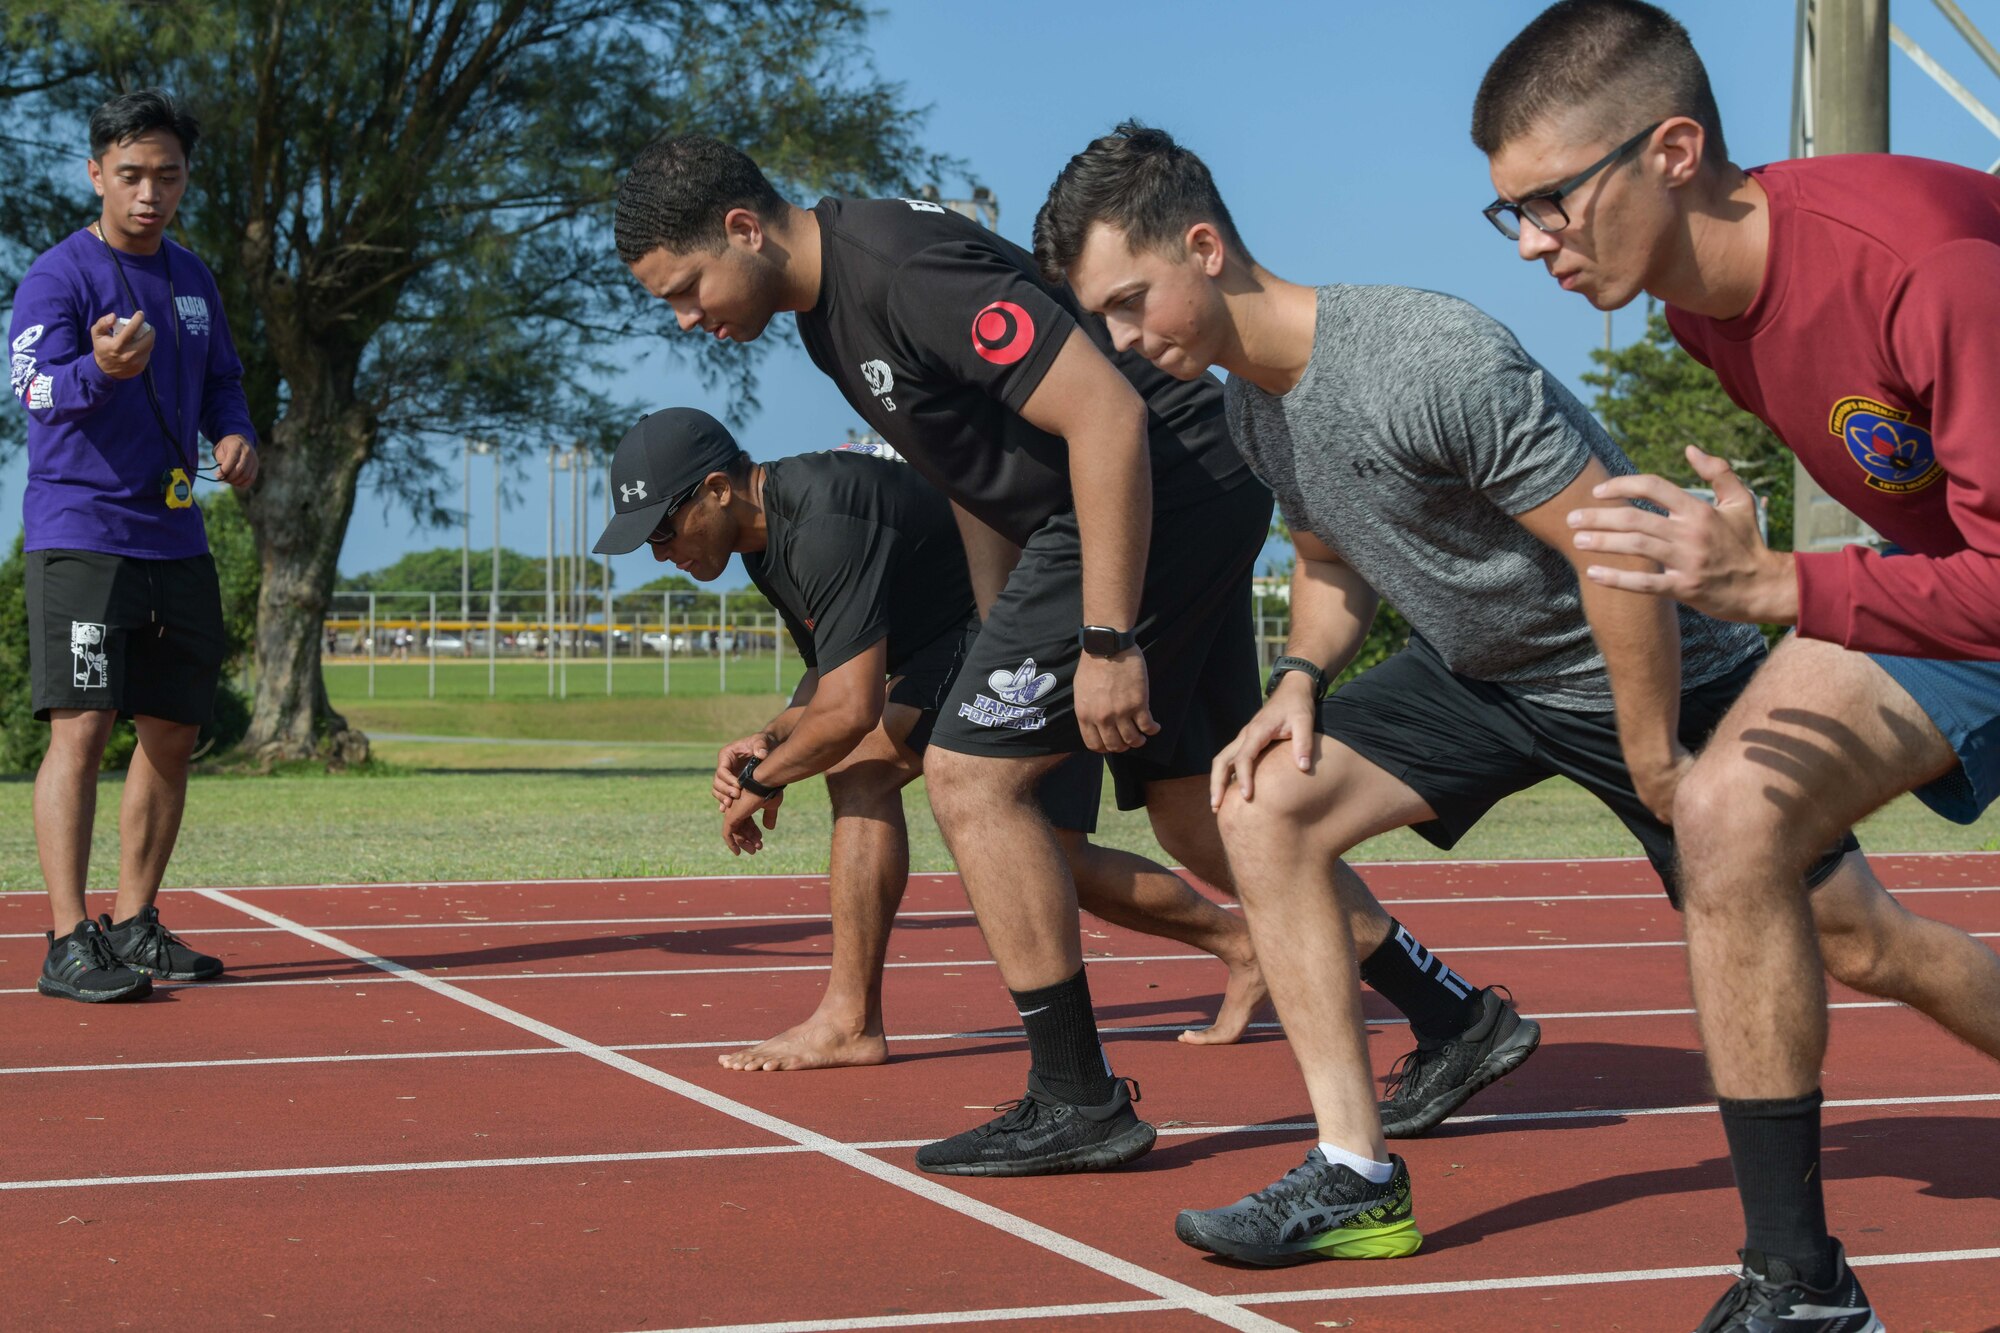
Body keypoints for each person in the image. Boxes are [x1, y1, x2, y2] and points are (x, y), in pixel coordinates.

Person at [1035, 120, 2000, 1270]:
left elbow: (1610, 555)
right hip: (1482, 678)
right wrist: (1297, 678)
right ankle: (1353, 1172)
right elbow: (1332, 559)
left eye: (1131, 303)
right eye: (1103, 320)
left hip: (1641, 670)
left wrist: (1652, 761)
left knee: (1860, 943)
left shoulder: (1419, 355)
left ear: (1202, 247)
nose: (1125, 340)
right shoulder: (1254, 406)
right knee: (1261, 804)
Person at [1476, 2, 2000, 1326]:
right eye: (1510, 214)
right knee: (1729, 817)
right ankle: (1800, 1286)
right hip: (1966, 584)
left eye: (1550, 201)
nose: (1532, 242)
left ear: (1671, 152)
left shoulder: (1926, 265)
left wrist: (1775, 586)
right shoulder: (1700, 307)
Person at [591, 407, 1266, 1072]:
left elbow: (851, 710)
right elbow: (828, 674)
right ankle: (1247, 945)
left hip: (1018, 627)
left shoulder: (822, 522)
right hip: (968, 641)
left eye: (661, 528)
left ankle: (851, 1019)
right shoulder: (766, 545)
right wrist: (768, 737)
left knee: (863, 771)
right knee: (1060, 860)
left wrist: (765, 781)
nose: (660, 552)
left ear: (715, 489)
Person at [8, 90, 258, 1003]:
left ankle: (136, 921)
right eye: (131, 175)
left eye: (168, 175)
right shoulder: (58, 277)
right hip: (84, 536)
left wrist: (238, 437)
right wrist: (97, 370)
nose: (150, 193)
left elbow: (224, 381)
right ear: (95, 174)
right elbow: (31, 389)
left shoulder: (193, 278)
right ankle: (69, 938)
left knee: (174, 730)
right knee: (82, 726)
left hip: (177, 532)